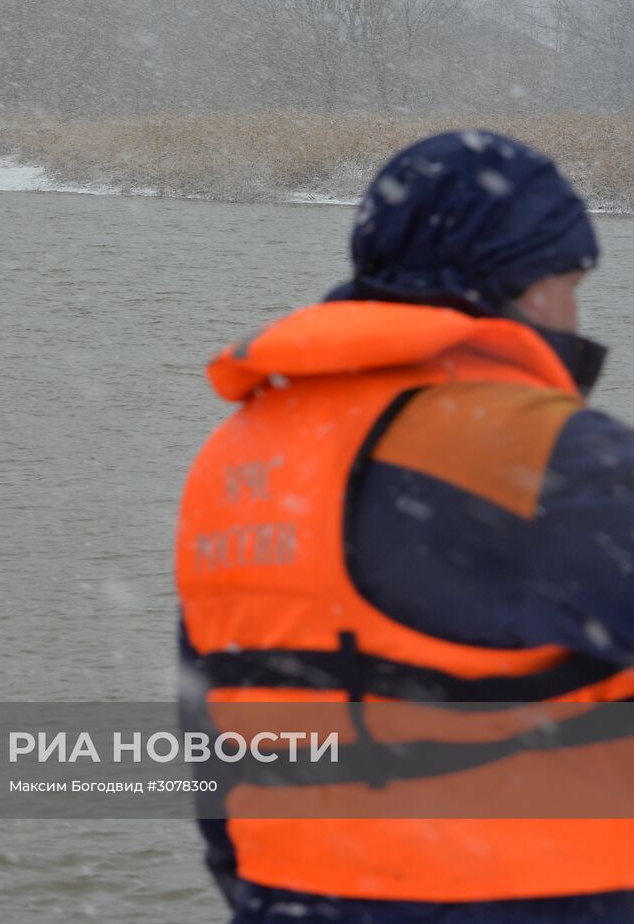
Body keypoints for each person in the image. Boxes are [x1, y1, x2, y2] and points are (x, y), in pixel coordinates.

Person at [177, 130, 634, 922]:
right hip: (539, 897)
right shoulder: (549, 453)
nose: (574, 307)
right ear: (523, 283)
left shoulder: (238, 453)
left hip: (292, 895)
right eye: (571, 278)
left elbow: (210, 724)